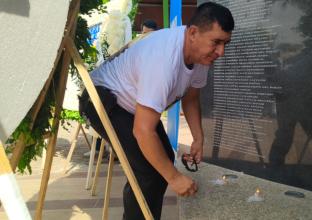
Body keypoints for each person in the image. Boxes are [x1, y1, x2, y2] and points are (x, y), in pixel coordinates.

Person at [79, 2, 234, 219]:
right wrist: (175, 178)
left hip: (129, 102)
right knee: (150, 171)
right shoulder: (163, 59)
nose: (221, 52)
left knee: (164, 159)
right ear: (193, 33)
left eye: (225, 43)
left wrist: (198, 138)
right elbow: (143, 131)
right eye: (216, 42)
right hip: (100, 99)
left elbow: (191, 97)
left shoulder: (200, 55)